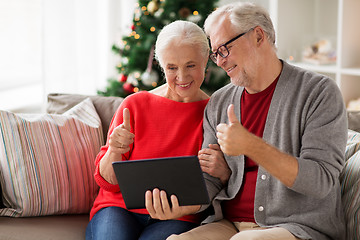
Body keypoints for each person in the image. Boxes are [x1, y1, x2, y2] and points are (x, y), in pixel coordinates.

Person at [165, 2, 348, 240]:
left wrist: (251, 146)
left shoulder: (318, 93)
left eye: (224, 49)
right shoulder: (220, 102)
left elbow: (320, 180)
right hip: (229, 224)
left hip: (298, 227)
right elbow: (209, 179)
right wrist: (181, 206)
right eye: (215, 54)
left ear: (258, 36)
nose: (219, 62)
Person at [85, 20, 210, 240]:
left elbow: (215, 184)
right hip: (118, 208)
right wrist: (114, 150)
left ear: (206, 60)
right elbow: (106, 181)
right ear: (162, 66)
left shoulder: (213, 112)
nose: (182, 77)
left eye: (191, 65)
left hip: (178, 216)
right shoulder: (134, 104)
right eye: (172, 68)